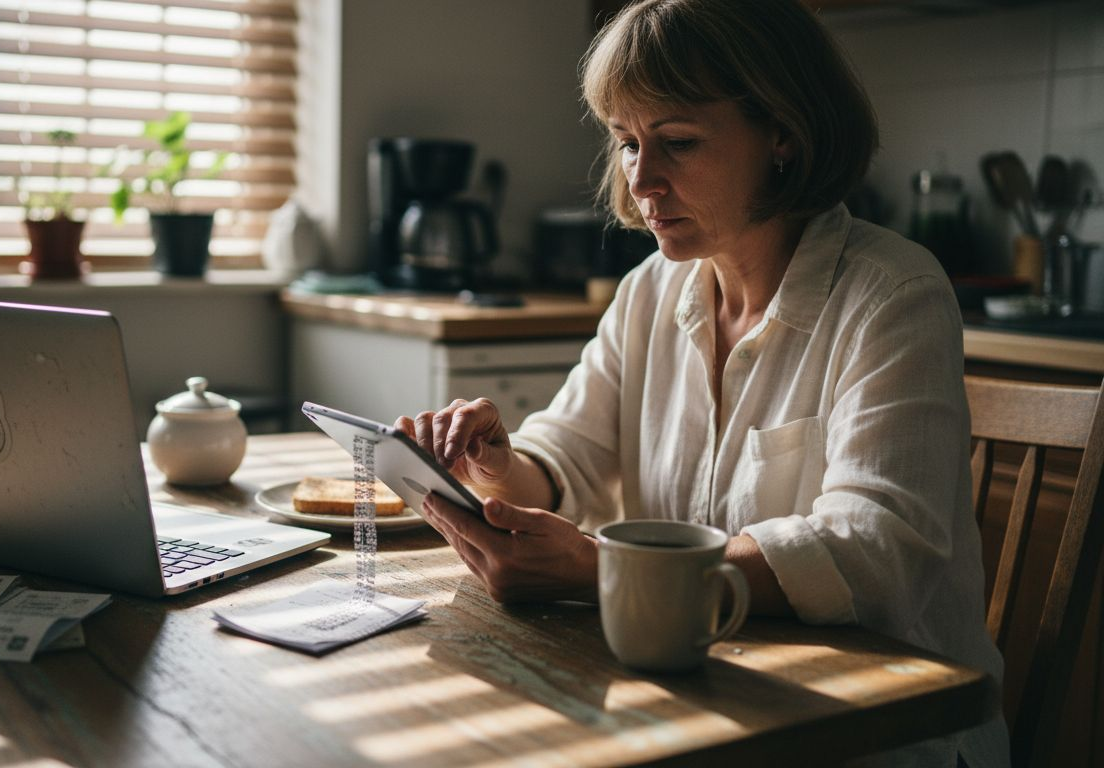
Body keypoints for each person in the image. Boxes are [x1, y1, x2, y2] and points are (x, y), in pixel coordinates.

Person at [394, 1, 1009, 766]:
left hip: (881, 734)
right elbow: (567, 459)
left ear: (783, 133)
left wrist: (604, 569)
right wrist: (495, 466)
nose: (642, 179)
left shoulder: (893, 293)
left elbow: (878, 549)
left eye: (677, 142)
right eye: (625, 143)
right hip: (699, 705)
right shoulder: (653, 289)